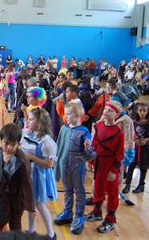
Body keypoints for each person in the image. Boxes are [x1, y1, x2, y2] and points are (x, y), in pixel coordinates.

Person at [54, 101, 94, 235]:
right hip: (65, 164)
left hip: (77, 165)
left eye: (68, 114)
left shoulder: (84, 131)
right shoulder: (64, 129)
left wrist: (88, 147)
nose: (65, 116)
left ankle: (79, 216)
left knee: (79, 191)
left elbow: (90, 153)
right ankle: (67, 212)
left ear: (77, 115)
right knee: (67, 190)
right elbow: (58, 147)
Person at [86, 101, 124, 233]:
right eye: (106, 109)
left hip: (110, 164)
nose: (106, 111)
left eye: (110, 110)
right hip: (99, 162)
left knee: (112, 192)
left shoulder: (119, 132)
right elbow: (95, 144)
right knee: (98, 187)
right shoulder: (99, 125)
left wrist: (114, 169)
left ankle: (110, 219)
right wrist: (91, 160)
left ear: (116, 115)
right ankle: (97, 211)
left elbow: (120, 153)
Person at [0, 123, 34, 237]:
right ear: (1, 140)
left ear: (18, 143)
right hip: (2, 196)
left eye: (13, 144)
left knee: (15, 224)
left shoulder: (22, 160)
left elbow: (26, 184)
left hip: (16, 199)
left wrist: (30, 206)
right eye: (6, 143)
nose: (9, 147)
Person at [21, 108, 57, 240]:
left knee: (39, 204)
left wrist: (30, 157)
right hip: (29, 173)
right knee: (30, 203)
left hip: (39, 176)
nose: (27, 121)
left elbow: (49, 164)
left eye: (31, 119)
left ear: (40, 123)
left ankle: (51, 234)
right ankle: (31, 230)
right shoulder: (29, 134)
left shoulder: (46, 141)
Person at [123, 102, 149, 194]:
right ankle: (128, 184)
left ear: (147, 111)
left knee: (143, 167)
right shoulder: (133, 122)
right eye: (140, 110)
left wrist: (146, 139)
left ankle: (141, 185)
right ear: (136, 111)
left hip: (145, 148)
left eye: (144, 111)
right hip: (135, 147)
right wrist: (134, 138)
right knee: (131, 166)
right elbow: (130, 132)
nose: (142, 112)